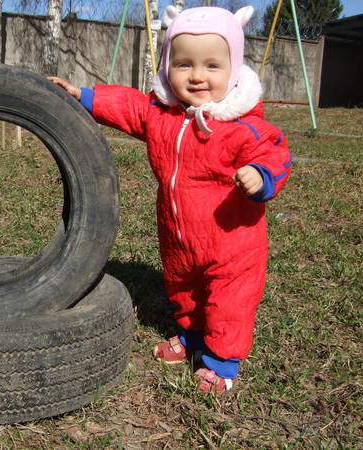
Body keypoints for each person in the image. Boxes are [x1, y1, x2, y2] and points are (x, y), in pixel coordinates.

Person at [49, 5, 291, 394]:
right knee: (183, 287)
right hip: (178, 234)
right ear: (167, 65)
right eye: (184, 64)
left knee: (229, 301)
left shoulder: (244, 127)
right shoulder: (162, 115)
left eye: (212, 66)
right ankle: (191, 335)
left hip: (232, 240)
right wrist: (85, 96)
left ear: (233, 70)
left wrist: (260, 175)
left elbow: (274, 153)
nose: (197, 76)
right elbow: (129, 107)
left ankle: (222, 363)